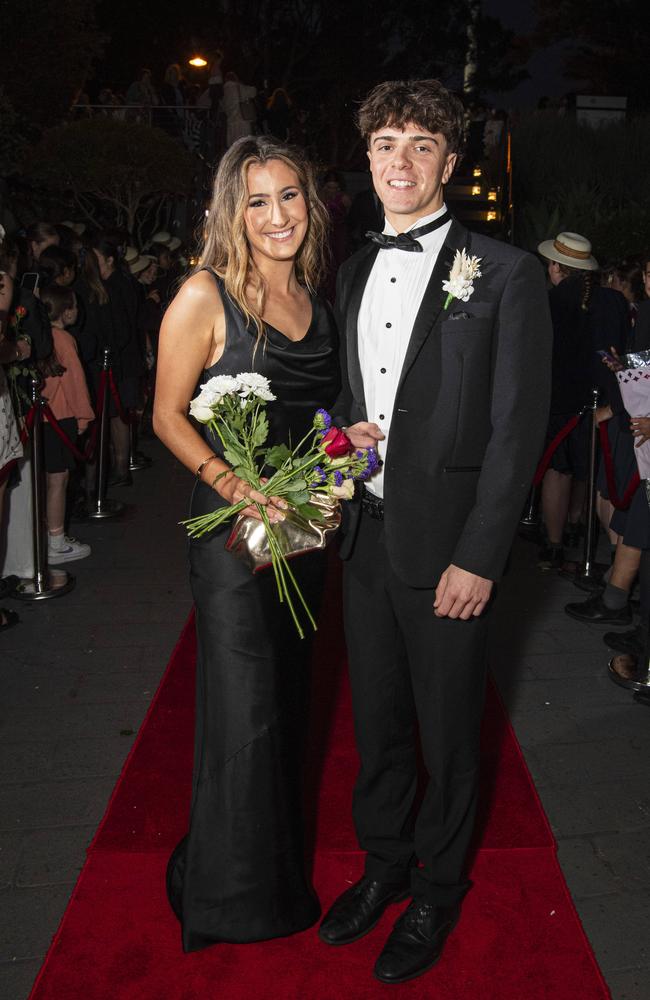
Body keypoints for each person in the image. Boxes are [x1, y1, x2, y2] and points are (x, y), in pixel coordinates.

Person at [319, 79, 552, 985]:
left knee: (450, 733)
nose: (401, 161)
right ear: (367, 159)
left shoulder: (507, 271)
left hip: (451, 549)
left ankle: (438, 889)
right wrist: (341, 448)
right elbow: (347, 405)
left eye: (421, 144)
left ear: (450, 162)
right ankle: (383, 867)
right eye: (386, 144)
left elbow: (516, 428)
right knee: (376, 723)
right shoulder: (348, 271)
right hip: (366, 538)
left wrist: (480, 556)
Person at [153, 136, 339, 952]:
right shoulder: (205, 294)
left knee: (291, 706)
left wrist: (345, 447)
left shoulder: (317, 299)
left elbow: (319, 421)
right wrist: (234, 485)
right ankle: (230, 899)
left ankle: (272, 873)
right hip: (231, 538)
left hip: (301, 533)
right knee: (245, 712)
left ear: (312, 203)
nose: (277, 216)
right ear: (234, 210)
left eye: (290, 196)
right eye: (258, 200)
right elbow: (167, 414)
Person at [38, 284, 94, 563]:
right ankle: (56, 541)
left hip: (42, 418)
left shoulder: (39, 337)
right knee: (58, 481)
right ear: (65, 310)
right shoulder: (63, 339)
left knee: (45, 480)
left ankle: (47, 535)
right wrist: (84, 415)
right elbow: (75, 383)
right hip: (61, 417)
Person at [221, 71, 257, 146]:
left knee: (234, 145)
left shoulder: (224, 90)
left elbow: (223, 106)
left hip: (231, 121)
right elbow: (253, 91)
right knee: (244, 144)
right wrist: (240, 83)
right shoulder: (239, 87)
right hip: (242, 118)